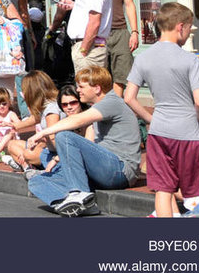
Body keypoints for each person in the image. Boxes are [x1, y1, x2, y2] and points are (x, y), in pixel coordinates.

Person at [123, 2, 199, 218]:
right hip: (189, 134)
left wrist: (150, 118)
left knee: (163, 190)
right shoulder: (190, 59)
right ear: (180, 27)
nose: (188, 33)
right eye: (189, 28)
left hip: (159, 133)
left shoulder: (142, 58)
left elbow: (129, 97)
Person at [26, 66, 141, 216]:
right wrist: (59, 158)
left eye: (81, 86)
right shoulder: (99, 108)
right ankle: (81, 203)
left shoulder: (112, 102)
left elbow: (78, 120)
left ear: (97, 88)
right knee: (37, 181)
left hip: (119, 170)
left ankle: (78, 194)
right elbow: (89, 145)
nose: (78, 90)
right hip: (102, 170)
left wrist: (44, 132)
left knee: (64, 136)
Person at [92, 0, 140, 95]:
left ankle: (117, 108)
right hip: (99, 33)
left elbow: (130, 4)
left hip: (120, 31)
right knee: (100, 76)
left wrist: (134, 31)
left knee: (122, 75)